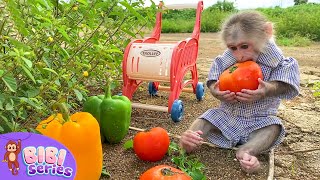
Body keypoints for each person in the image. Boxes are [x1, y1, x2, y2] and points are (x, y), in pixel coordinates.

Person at [179, 11, 300, 173]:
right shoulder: (228, 59)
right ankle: (189, 140)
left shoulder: (278, 62)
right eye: (232, 48)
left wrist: (267, 89)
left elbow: (287, 84)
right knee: (207, 116)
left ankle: (247, 152)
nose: (240, 55)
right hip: (227, 116)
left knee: (274, 127)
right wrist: (216, 90)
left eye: (245, 46)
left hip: (260, 120)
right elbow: (214, 77)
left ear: (267, 32)